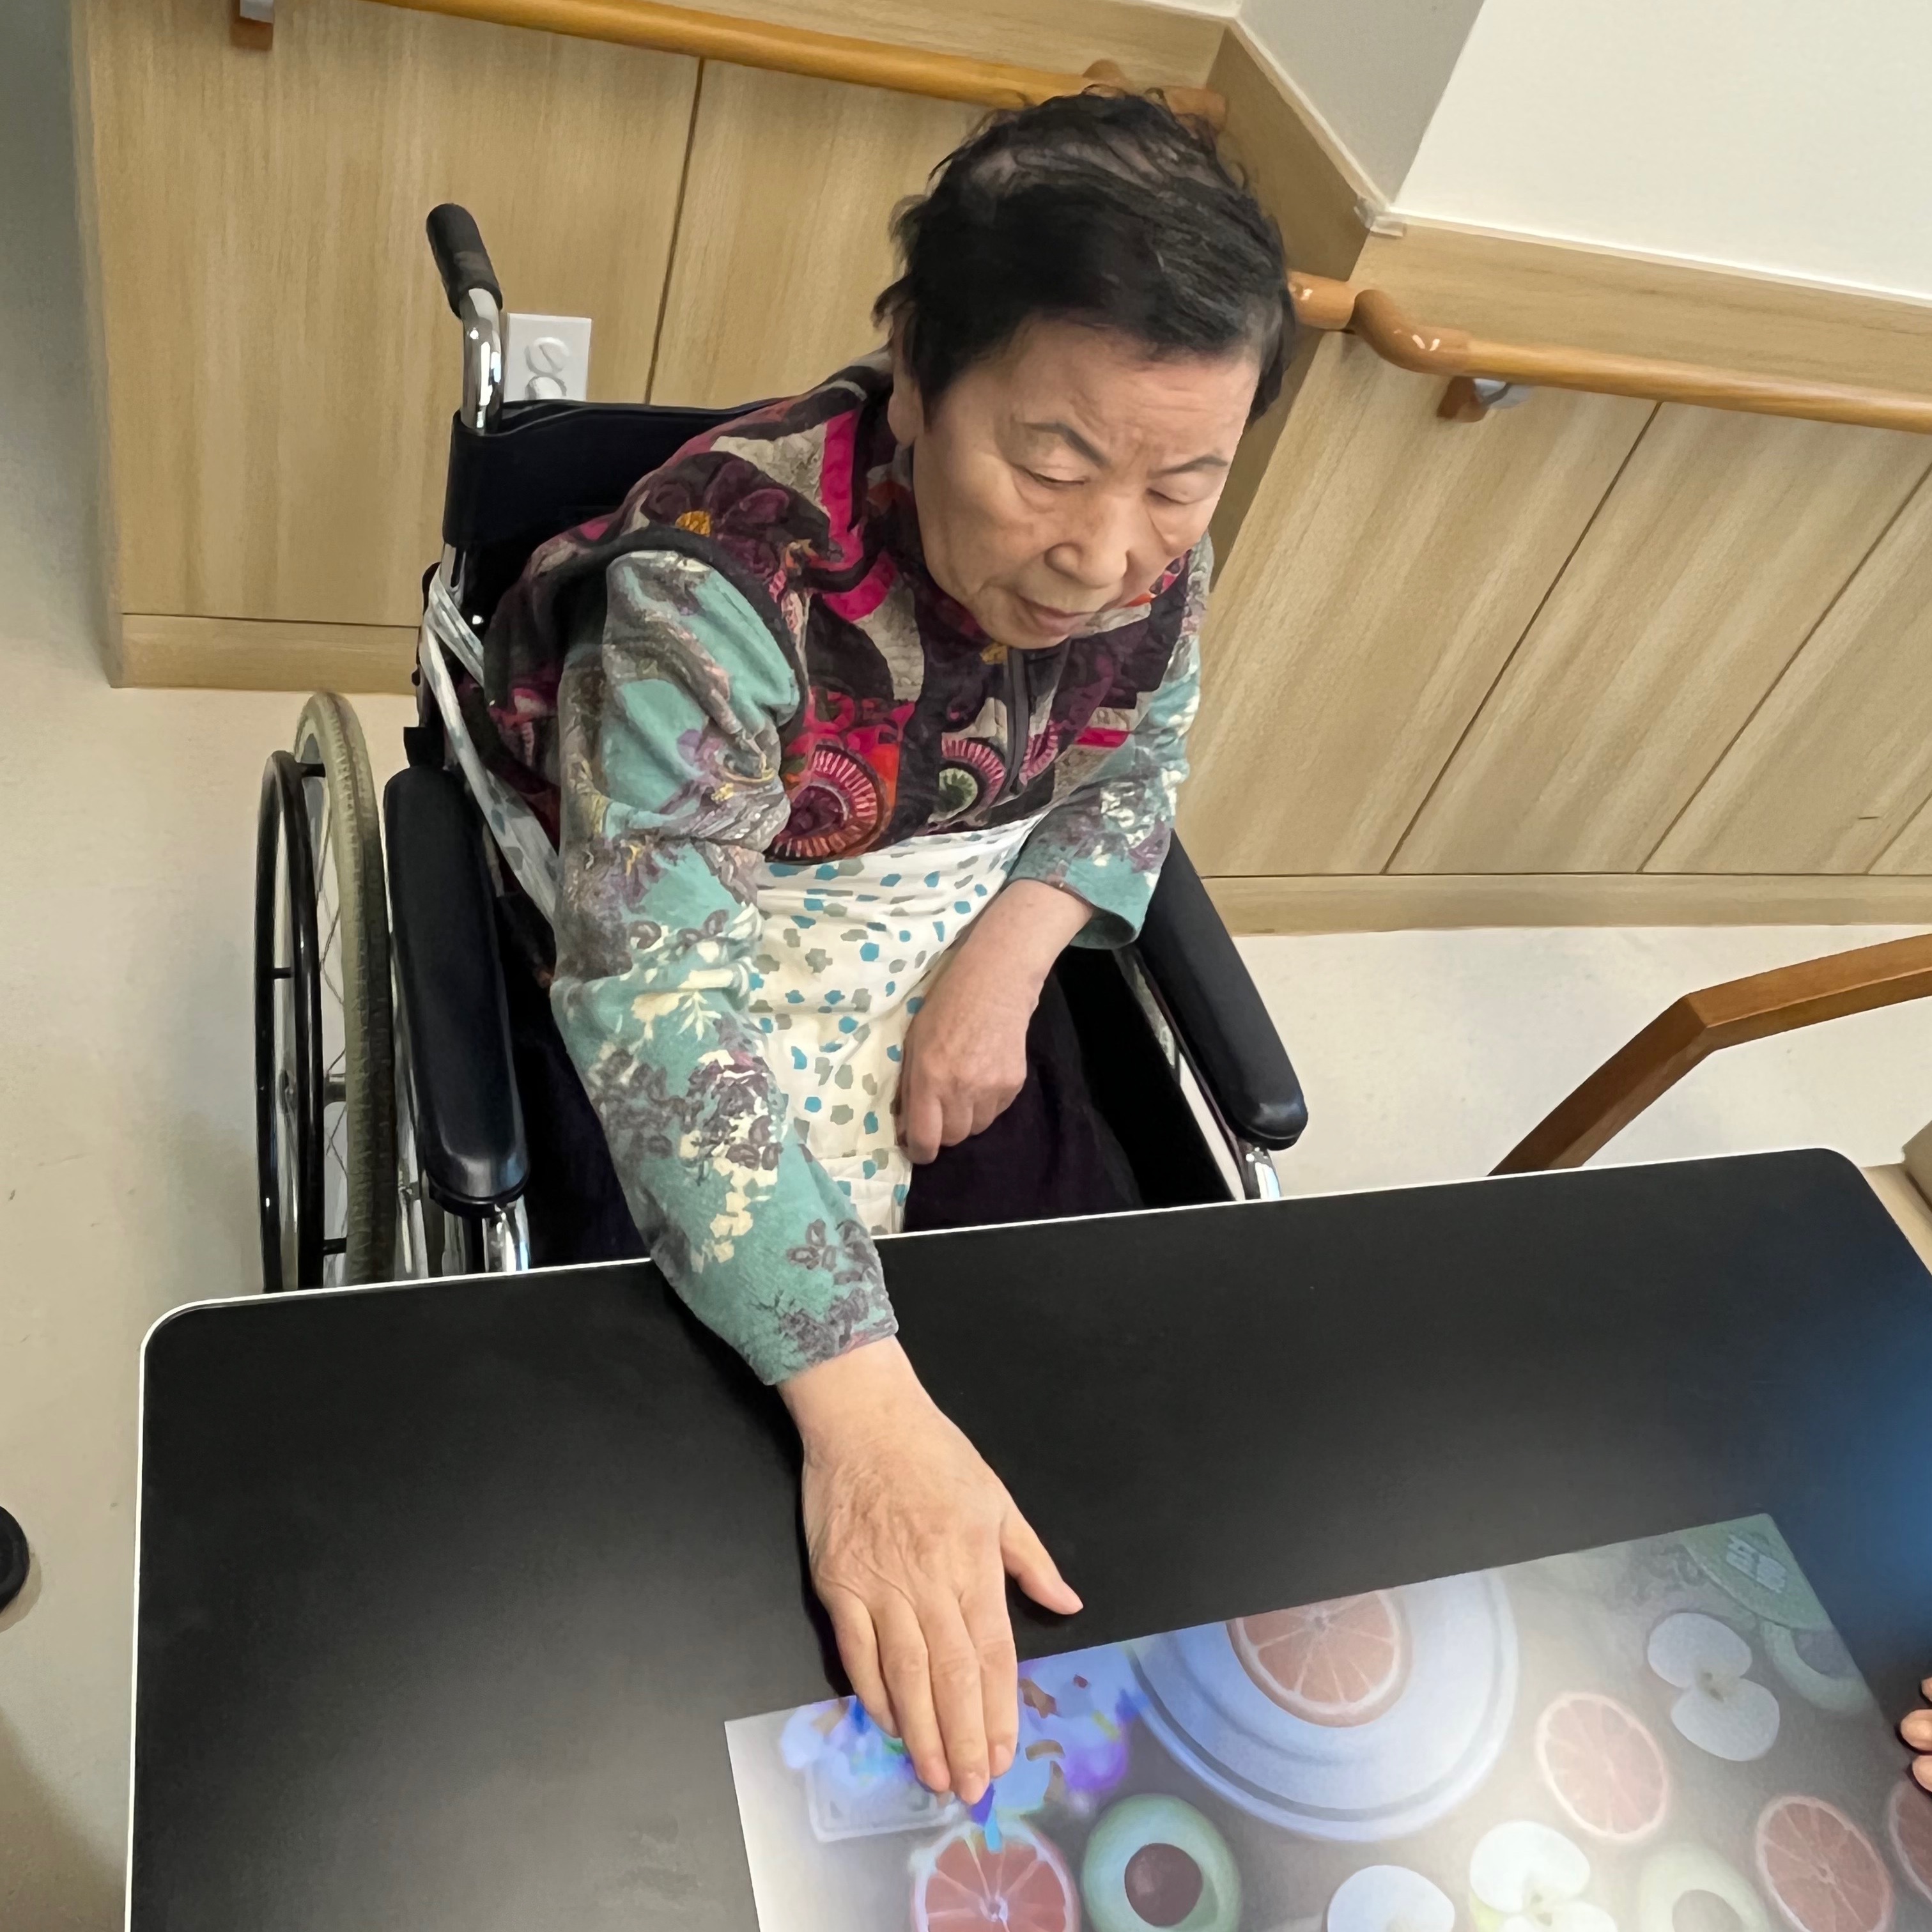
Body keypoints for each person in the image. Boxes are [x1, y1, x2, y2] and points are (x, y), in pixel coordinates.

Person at [461, 89, 1293, 1809]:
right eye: (1050, 463)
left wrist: (1011, 959)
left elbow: (1137, 761)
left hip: (951, 916)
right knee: (719, 1468)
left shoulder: (1149, 549)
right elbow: (657, 991)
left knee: (1074, 1375)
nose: (1106, 554)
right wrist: (858, 1410)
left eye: (1179, 483)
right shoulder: (717, 588)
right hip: (696, 939)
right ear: (914, 370)